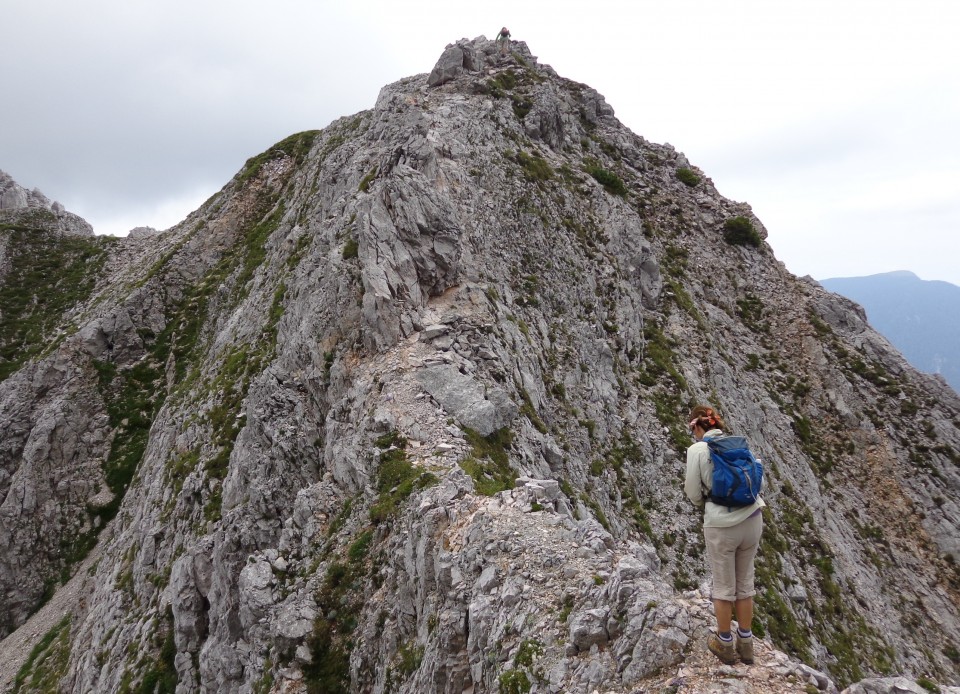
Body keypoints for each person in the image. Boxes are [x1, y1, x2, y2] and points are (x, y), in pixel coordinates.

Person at [684, 405, 765, 665]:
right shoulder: (739, 445)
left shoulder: (697, 450)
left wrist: (707, 503)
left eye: (691, 429)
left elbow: (693, 492)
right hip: (753, 519)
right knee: (745, 584)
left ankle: (725, 644)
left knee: (723, 587)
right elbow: (757, 481)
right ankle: (747, 644)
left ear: (697, 426)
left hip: (721, 525)